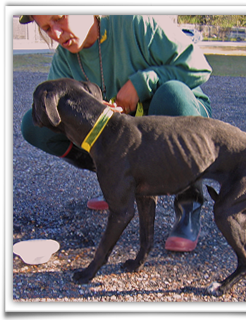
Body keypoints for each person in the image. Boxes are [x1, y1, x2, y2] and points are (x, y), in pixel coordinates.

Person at [19, 15, 212, 252]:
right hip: (127, 138)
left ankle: (188, 203)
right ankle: (120, 185)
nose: (56, 34)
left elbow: (199, 67)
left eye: (60, 19)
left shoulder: (136, 23)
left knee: (172, 95)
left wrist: (142, 83)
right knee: (36, 123)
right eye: (46, 28)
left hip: (177, 117)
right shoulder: (64, 60)